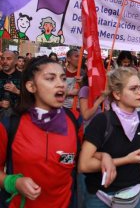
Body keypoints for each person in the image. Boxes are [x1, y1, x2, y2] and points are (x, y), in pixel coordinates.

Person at [0, 56, 113, 207]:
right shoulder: (10, 124)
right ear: (31, 87)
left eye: (63, 78)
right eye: (50, 79)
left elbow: (81, 156)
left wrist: (104, 156)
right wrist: (13, 182)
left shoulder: (75, 121)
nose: (61, 84)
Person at [78, 67, 140, 207]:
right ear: (117, 94)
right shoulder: (102, 121)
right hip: (101, 197)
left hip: (134, 196)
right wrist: (125, 160)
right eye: (133, 88)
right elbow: (83, 165)